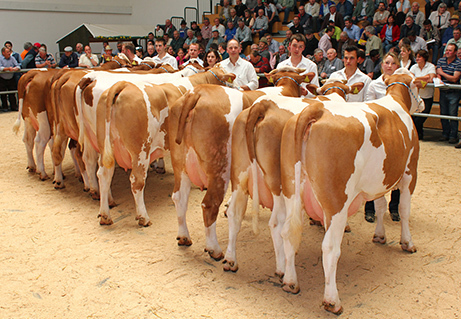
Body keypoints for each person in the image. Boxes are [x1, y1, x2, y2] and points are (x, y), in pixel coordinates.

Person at [364, 52, 401, 223]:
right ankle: (369, 208)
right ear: (382, 65)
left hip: (397, 133)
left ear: (397, 66)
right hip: (378, 133)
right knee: (372, 170)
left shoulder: (402, 86)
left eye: (393, 63)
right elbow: (368, 107)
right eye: (386, 62)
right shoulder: (374, 85)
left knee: (397, 169)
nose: (389, 65)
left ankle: (394, 208)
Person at [436, 43, 461, 144]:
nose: (447, 52)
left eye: (450, 50)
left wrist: (442, 74)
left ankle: (453, 135)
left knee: (452, 114)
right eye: (447, 50)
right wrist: (441, 77)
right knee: (443, 113)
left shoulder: (458, 63)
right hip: (442, 90)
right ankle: (445, 134)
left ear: (455, 52)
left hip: (453, 92)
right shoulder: (441, 60)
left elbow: (455, 78)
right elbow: (438, 74)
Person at [409, 49, 436, 140]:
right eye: (416, 56)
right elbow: (411, 79)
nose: (417, 58)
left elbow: (431, 78)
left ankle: (416, 135)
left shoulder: (430, 66)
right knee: (415, 117)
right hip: (416, 96)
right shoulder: (414, 67)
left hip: (427, 96)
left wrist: (418, 80)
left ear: (424, 58)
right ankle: (419, 136)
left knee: (422, 117)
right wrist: (424, 79)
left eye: (419, 57)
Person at [0, 46, 20, 111]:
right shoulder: (0, 58)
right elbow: (0, 68)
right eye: (7, 52)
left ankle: (13, 107)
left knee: (12, 93)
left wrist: (16, 68)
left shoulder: (12, 58)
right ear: (3, 53)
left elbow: (18, 65)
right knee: (3, 94)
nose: (9, 53)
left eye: (9, 52)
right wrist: (8, 69)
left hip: (11, 78)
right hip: (2, 78)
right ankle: (5, 107)